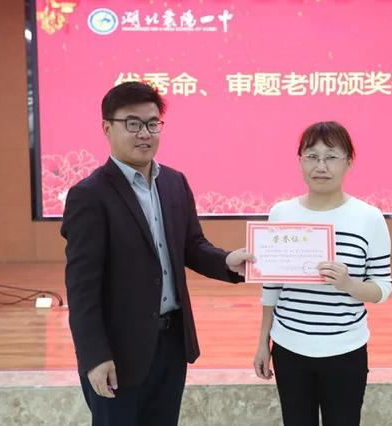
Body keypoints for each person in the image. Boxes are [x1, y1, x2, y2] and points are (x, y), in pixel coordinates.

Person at [61, 81, 252, 426]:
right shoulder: (89, 195)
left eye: (152, 124)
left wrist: (226, 261)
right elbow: (81, 289)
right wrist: (94, 356)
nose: (144, 133)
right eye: (132, 123)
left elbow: (192, 246)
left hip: (171, 344)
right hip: (118, 353)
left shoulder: (174, 182)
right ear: (107, 128)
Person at [253, 121, 392, 426]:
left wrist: (349, 284)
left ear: (349, 162)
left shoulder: (369, 218)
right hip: (289, 348)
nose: (321, 166)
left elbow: (382, 287)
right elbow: (271, 287)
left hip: (346, 350)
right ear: (300, 161)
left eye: (331, 157)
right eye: (311, 156)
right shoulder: (281, 213)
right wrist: (263, 342)